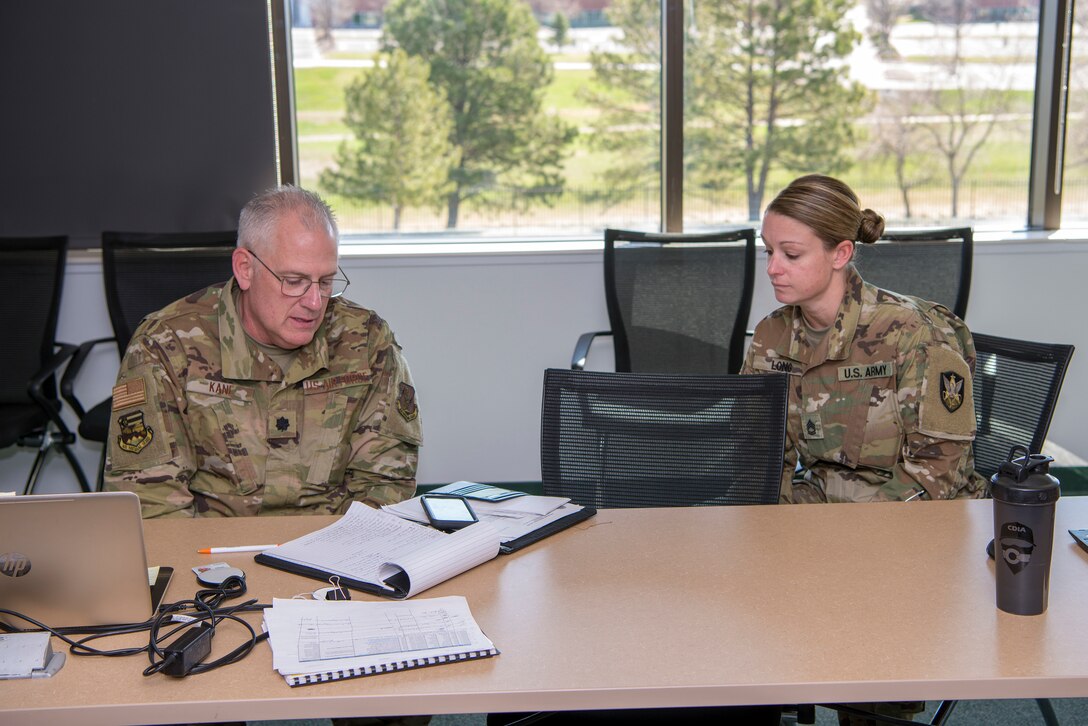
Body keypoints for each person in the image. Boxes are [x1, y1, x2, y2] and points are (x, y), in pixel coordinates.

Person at [104, 185, 423, 518]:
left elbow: (385, 484)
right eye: (294, 280)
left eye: (326, 281)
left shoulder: (367, 342)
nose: (314, 302)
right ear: (245, 268)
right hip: (212, 557)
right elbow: (152, 505)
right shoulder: (165, 346)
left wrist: (340, 556)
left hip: (333, 552)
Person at [742, 174, 986, 505]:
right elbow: (760, 454)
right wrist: (772, 527)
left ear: (840, 254)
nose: (773, 268)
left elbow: (937, 469)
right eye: (769, 251)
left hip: (913, 516)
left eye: (791, 255)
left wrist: (855, 537)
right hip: (822, 503)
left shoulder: (913, 333)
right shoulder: (772, 336)